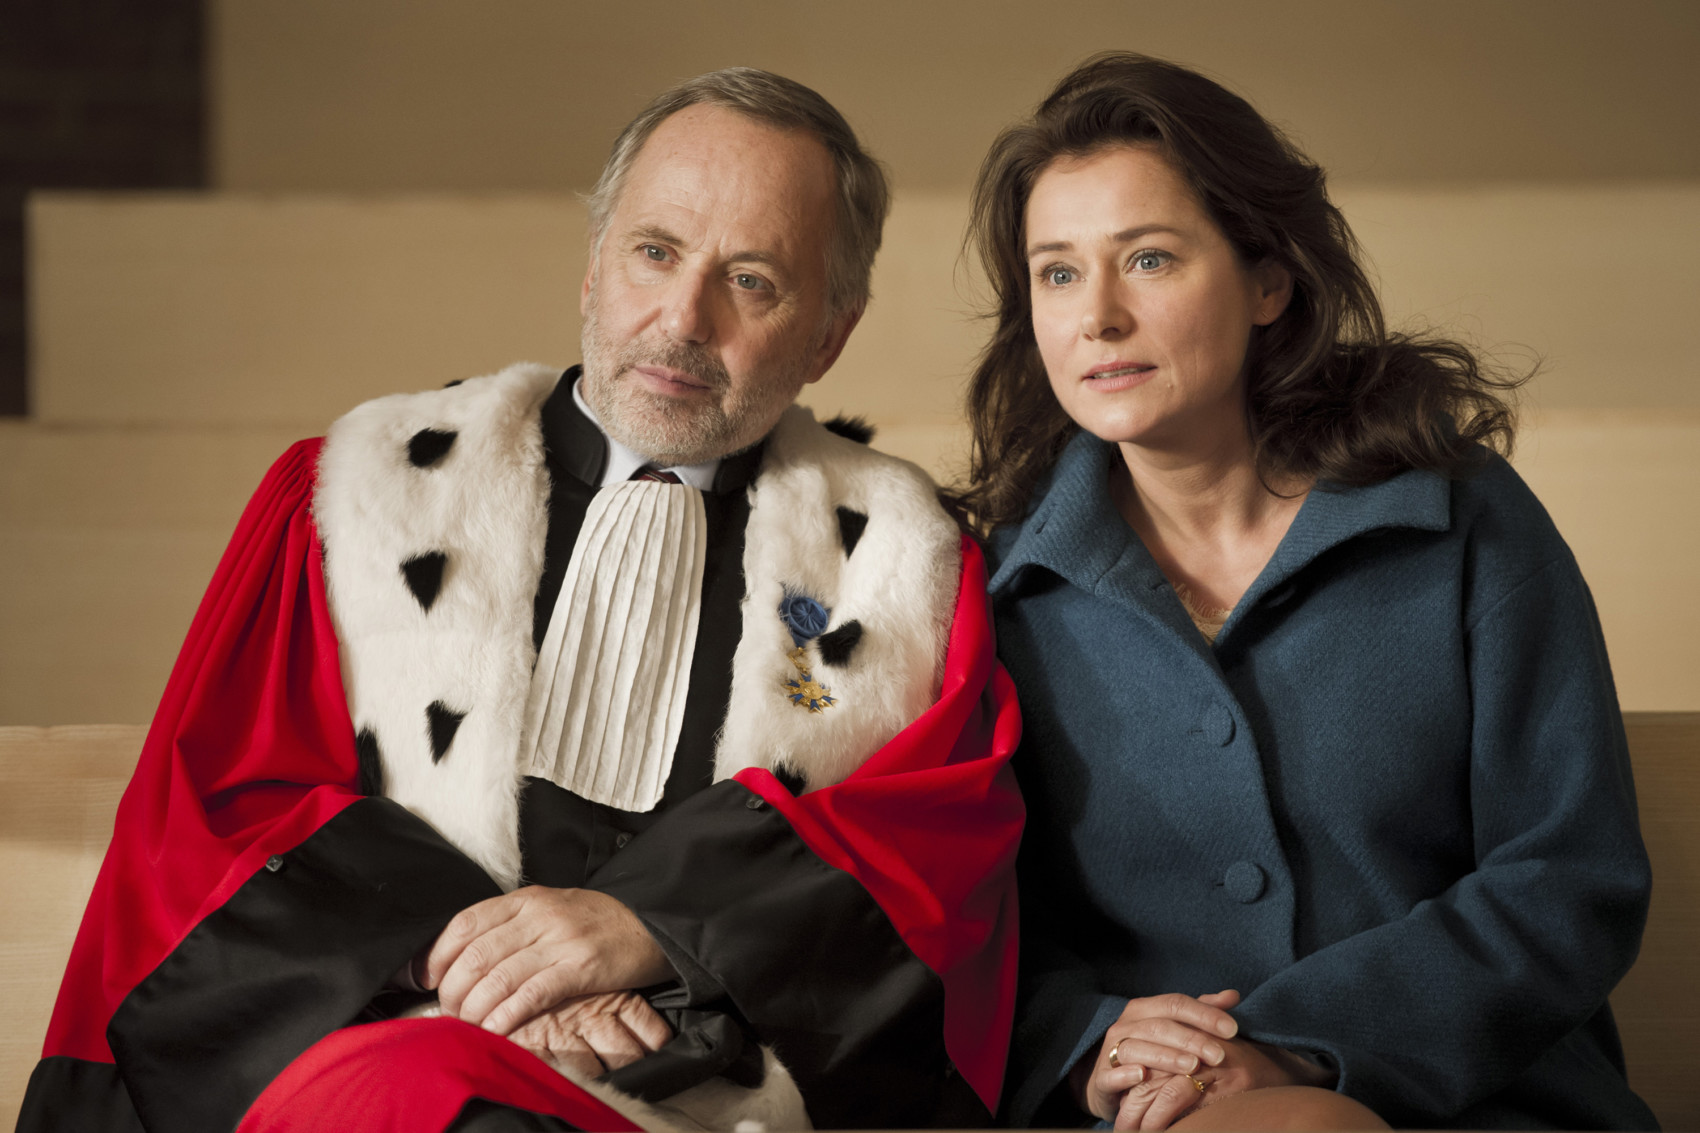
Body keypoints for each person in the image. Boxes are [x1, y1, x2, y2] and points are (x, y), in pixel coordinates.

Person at [21, 68, 1023, 1133]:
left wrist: (649, 927)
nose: (681, 317)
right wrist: (489, 969)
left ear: (830, 332)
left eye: (752, 279)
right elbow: (222, 807)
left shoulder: (900, 566)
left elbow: (932, 857)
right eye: (653, 251)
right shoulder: (361, 493)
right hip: (388, 1041)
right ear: (591, 266)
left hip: (700, 1083)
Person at [960, 53, 1656, 1131]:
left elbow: (1571, 873)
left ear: (1267, 282)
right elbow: (982, 917)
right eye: (1055, 272)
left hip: (1485, 1101)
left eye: (1146, 258)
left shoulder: (1460, 517)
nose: (1094, 316)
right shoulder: (994, 586)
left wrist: (1291, 1043)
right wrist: (1088, 1040)